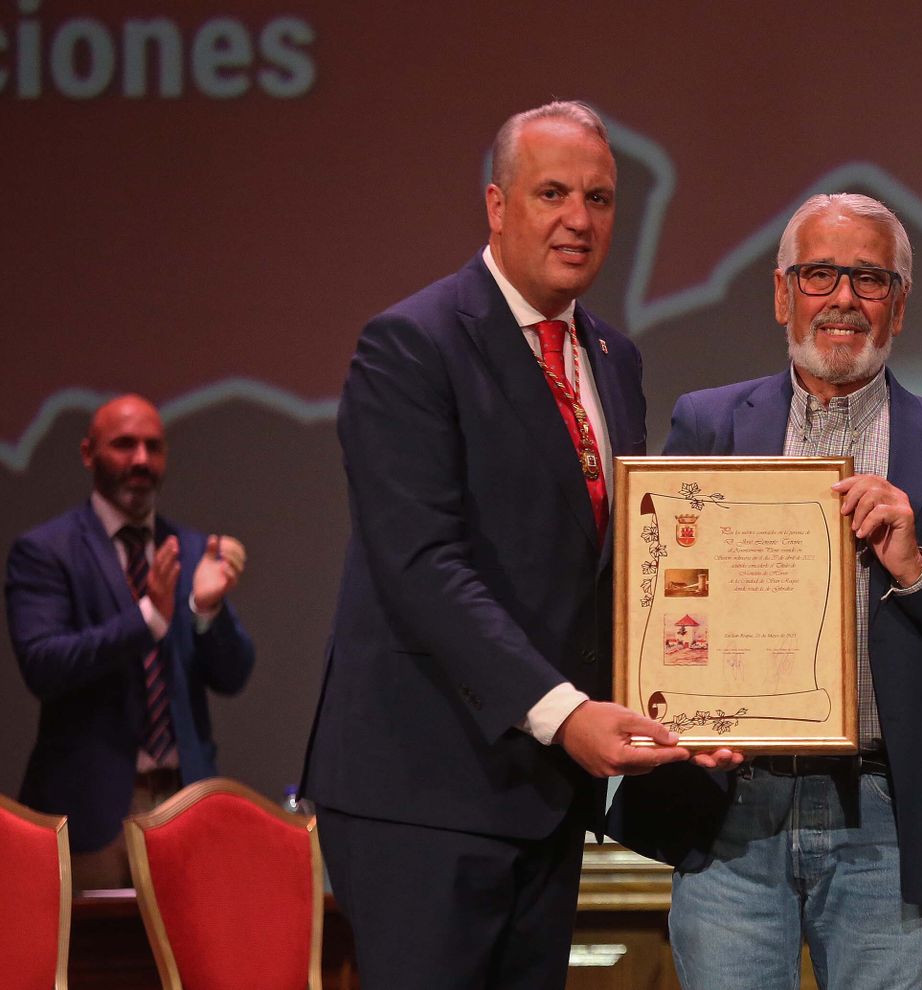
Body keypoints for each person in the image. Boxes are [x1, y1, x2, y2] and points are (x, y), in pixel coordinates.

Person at [609, 193, 922, 990]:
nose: (844, 298)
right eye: (820, 274)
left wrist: (918, 567)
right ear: (783, 293)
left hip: (886, 812)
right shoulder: (708, 424)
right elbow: (657, 595)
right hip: (728, 807)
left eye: (870, 279)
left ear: (901, 305)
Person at [301, 101, 693, 990]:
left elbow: (607, 568)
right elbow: (421, 565)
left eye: (598, 198)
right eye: (551, 192)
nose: (578, 219)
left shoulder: (612, 358)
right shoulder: (411, 345)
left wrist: (695, 704)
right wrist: (566, 713)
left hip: (544, 793)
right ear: (496, 204)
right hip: (422, 791)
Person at [6, 393, 254, 890]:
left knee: (190, 964)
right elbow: (44, 665)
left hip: (186, 809)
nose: (141, 459)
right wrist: (147, 618)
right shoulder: (45, 552)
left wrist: (207, 610)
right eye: (124, 445)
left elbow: (233, 674)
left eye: (153, 446)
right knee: (95, 964)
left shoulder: (187, 548)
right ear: (87, 454)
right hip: (92, 815)